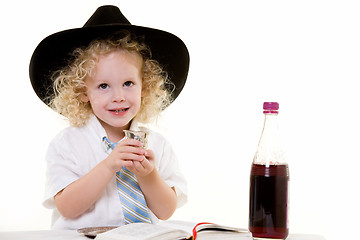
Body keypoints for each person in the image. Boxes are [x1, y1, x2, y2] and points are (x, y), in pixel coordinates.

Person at [29, 5, 190, 230]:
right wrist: (108, 166)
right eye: (103, 86)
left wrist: (148, 175)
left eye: (128, 83)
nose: (118, 96)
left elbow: (165, 211)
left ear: (145, 86)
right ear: (83, 92)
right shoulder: (67, 144)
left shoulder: (158, 146)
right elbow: (67, 207)